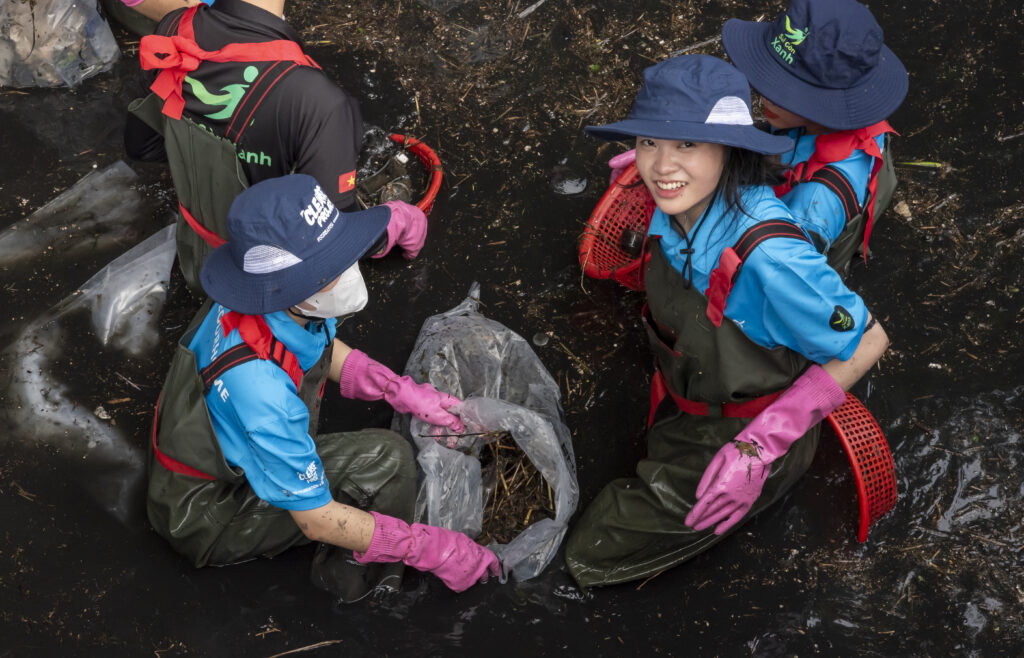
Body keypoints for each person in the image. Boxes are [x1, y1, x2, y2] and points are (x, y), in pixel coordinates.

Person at [564, 55, 889, 588]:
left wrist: (763, 445)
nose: (661, 166)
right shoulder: (671, 201)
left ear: (732, 150)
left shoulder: (771, 257)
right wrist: (670, 167)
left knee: (591, 553)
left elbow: (868, 340)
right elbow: (664, 175)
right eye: (650, 142)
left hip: (744, 434)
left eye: (687, 144)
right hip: (686, 389)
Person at [147, 174, 499, 596]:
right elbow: (315, 519)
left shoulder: (270, 300)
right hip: (205, 512)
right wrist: (422, 547)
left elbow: (310, 347)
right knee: (388, 461)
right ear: (289, 287)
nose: (350, 274)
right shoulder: (263, 392)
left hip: (230, 436)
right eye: (329, 270)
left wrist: (397, 390)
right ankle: (366, 584)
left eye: (344, 256)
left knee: (377, 456)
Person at [124, 0, 427, 294]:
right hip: (272, 288)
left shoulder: (176, 28)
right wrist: (391, 226)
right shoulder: (318, 102)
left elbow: (141, 145)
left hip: (197, 255)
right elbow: (330, 245)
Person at [722, 0, 909, 275]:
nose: (764, 95)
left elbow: (783, 275)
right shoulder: (853, 111)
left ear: (827, 103)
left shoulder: (811, 207)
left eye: (784, 92)